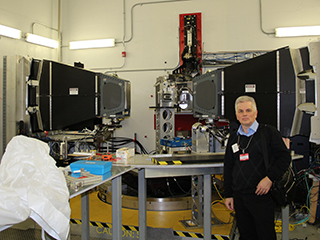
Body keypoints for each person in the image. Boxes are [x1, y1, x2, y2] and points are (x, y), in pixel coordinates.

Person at [223, 95, 291, 240]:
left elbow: (284, 158)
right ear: (236, 115)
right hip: (240, 197)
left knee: (265, 235)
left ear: (256, 113)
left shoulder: (268, 133)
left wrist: (269, 178)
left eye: (248, 110)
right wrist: (228, 194)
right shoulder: (234, 138)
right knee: (246, 235)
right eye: (241, 111)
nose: (245, 114)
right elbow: (228, 167)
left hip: (261, 197)